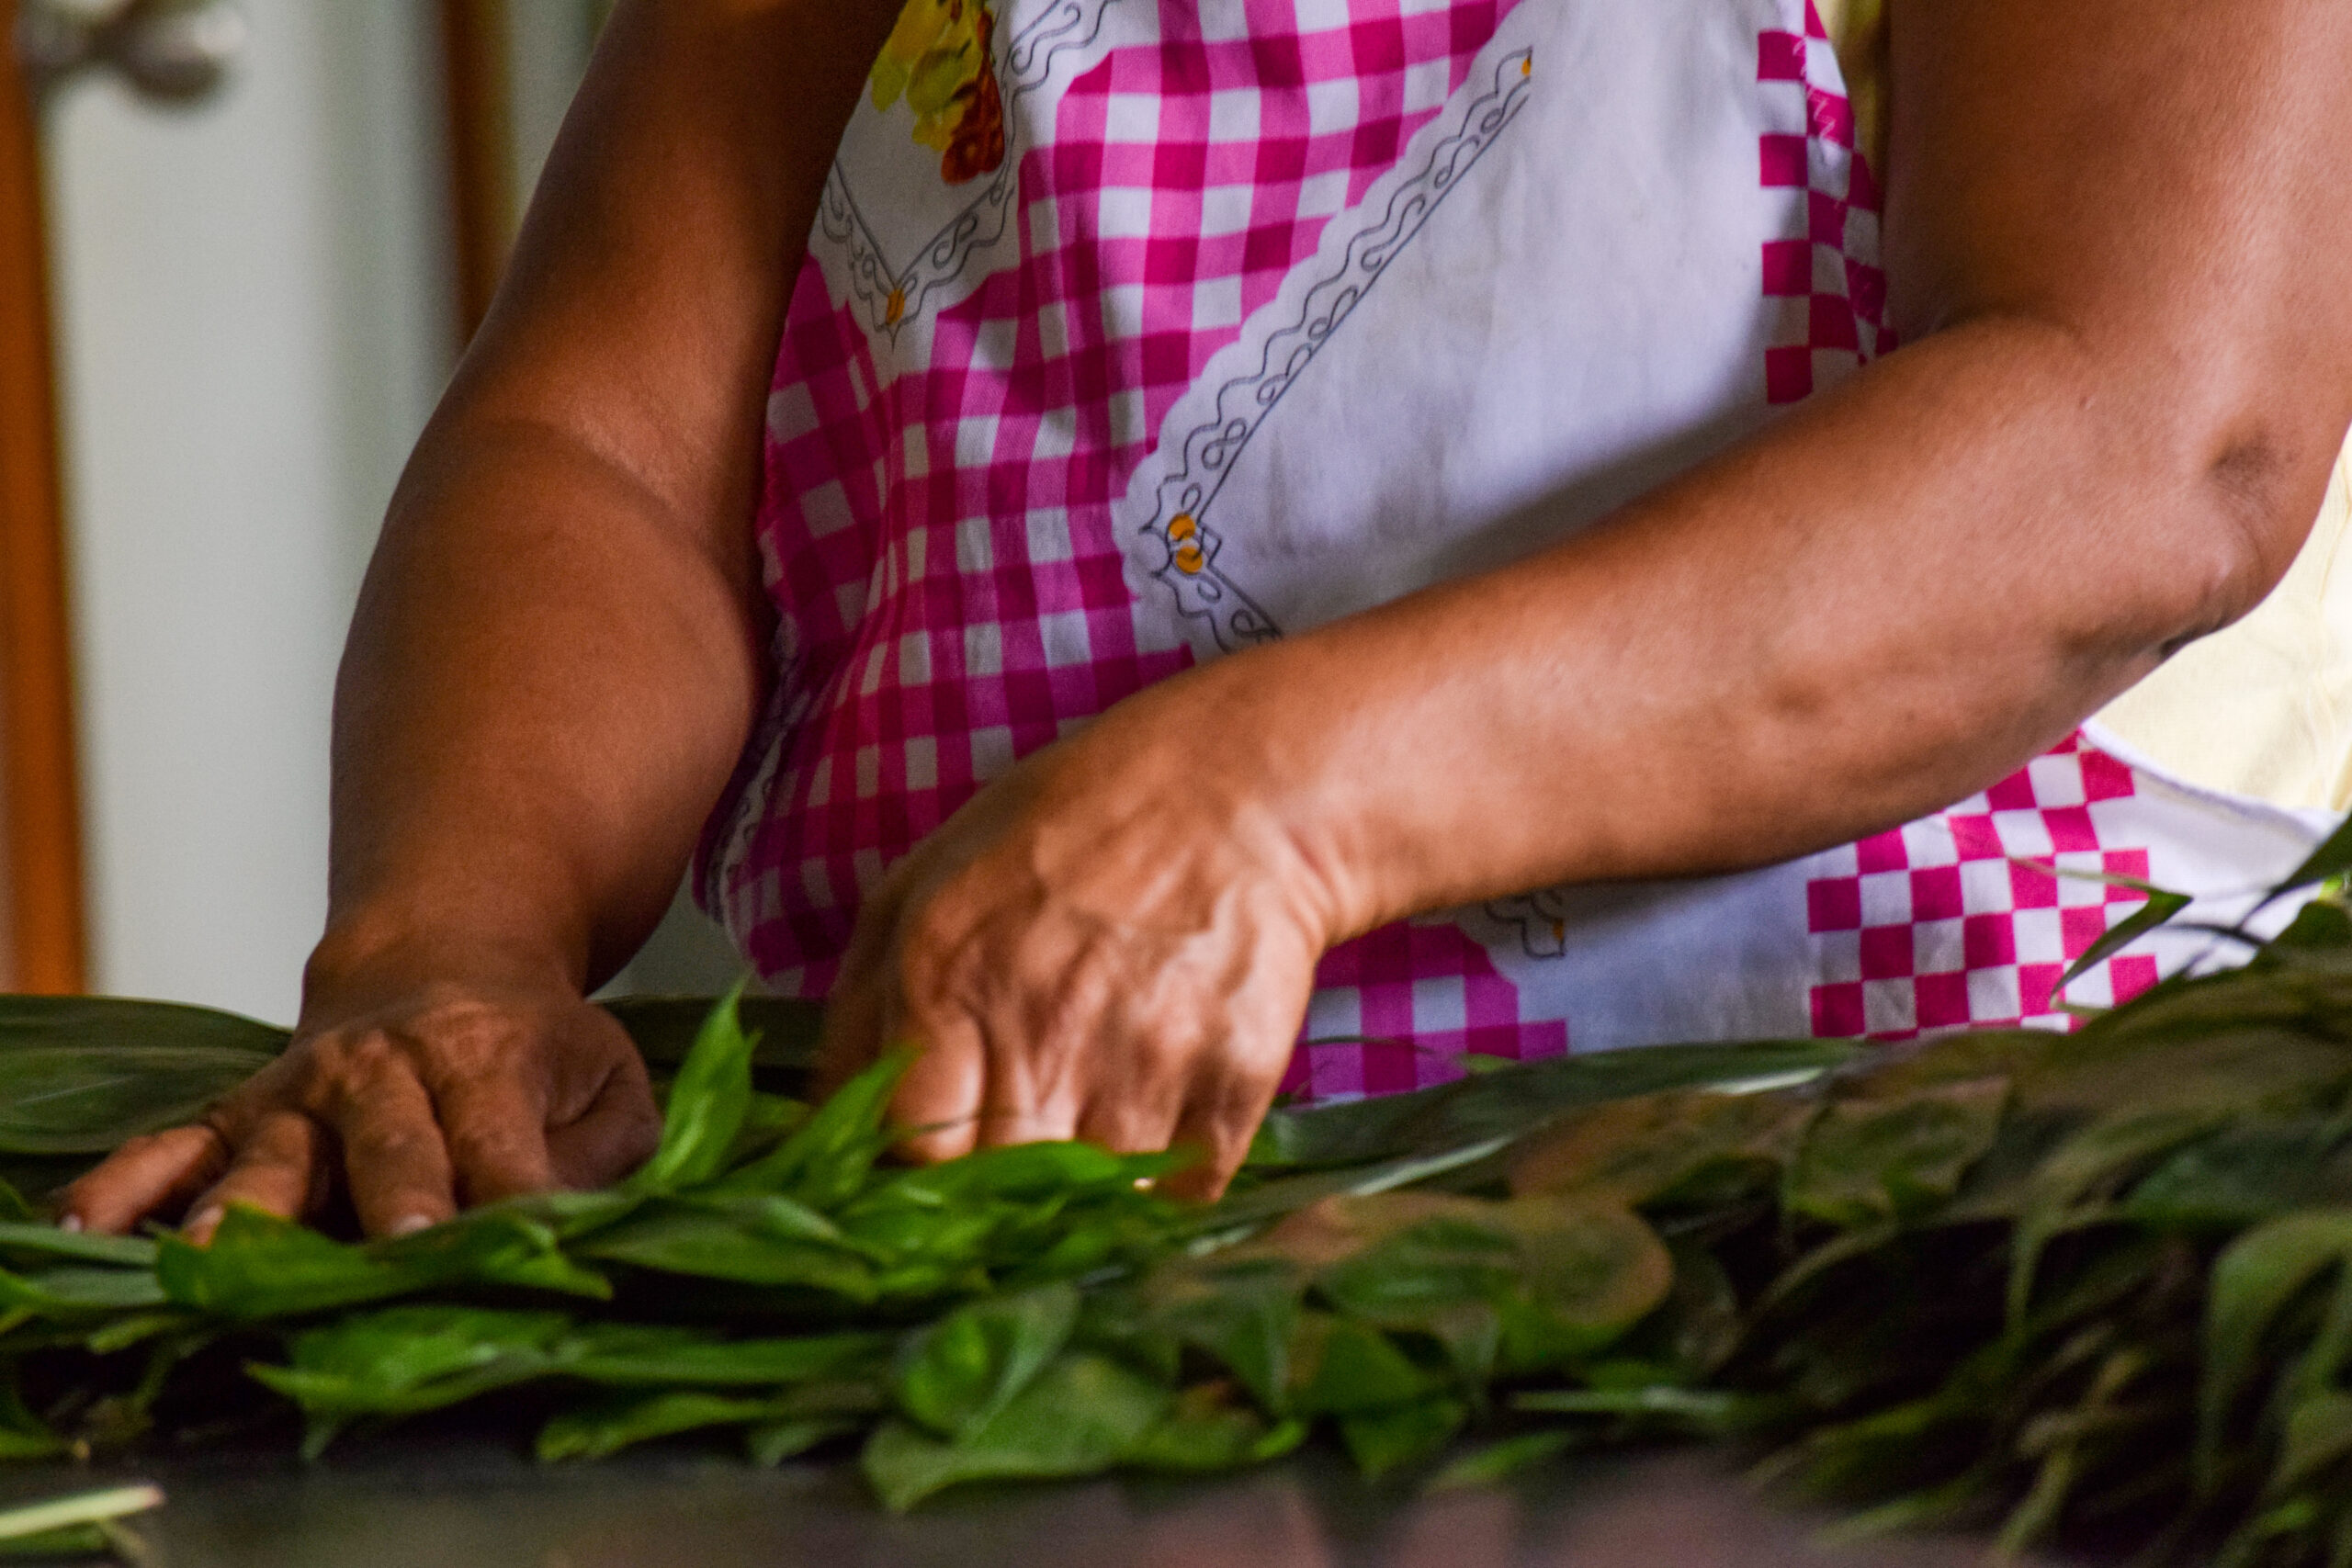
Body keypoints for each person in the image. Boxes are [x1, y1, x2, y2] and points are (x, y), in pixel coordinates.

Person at [61, 0, 2352, 1240]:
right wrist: (449, 938)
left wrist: (1269, 809)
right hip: (990, 1279)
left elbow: (2146, 434)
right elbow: (603, 459)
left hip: (1839, 1252)